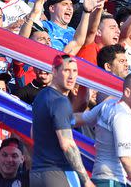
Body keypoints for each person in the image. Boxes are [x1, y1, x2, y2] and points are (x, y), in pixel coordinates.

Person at [72, 72, 131, 187]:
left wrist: (54, 118)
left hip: (98, 178)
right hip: (112, 181)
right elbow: (126, 157)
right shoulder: (124, 117)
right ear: (127, 92)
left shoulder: (108, 105)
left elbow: (80, 118)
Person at [30, 54, 93, 187]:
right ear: (54, 71)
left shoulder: (41, 96)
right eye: (66, 70)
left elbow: (32, 133)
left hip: (37, 173)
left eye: (74, 71)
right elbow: (67, 144)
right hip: (59, 173)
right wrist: (86, 180)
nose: (71, 76)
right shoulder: (61, 101)